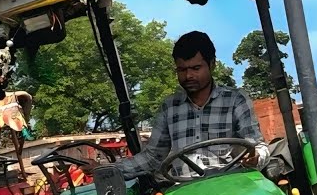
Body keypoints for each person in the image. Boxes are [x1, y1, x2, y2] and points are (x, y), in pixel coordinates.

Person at [114, 31, 269, 180]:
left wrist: (255, 157)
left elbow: (258, 146)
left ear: (212, 65)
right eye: (182, 70)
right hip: (184, 191)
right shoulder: (170, 107)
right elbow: (153, 156)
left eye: (196, 68)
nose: (188, 76)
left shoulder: (235, 100)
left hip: (230, 186)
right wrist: (110, 170)